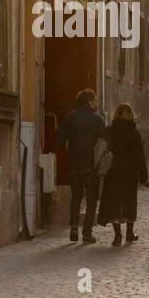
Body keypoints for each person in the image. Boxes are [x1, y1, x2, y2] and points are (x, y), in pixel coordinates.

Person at [57, 88, 105, 244]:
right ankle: (87, 232)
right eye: (95, 100)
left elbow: (60, 140)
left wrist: (70, 147)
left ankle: (73, 228)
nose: (97, 102)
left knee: (76, 198)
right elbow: (104, 143)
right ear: (90, 101)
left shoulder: (70, 118)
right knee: (91, 200)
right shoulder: (98, 119)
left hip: (75, 164)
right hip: (92, 165)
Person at [97, 103, 149, 245]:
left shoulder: (109, 131)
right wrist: (143, 175)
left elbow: (101, 148)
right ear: (131, 115)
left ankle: (117, 236)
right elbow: (140, 156)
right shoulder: (134, 133)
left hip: (113, 172)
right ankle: (130, 233)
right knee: (129, 201)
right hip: (129, 173)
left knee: (114, 201)